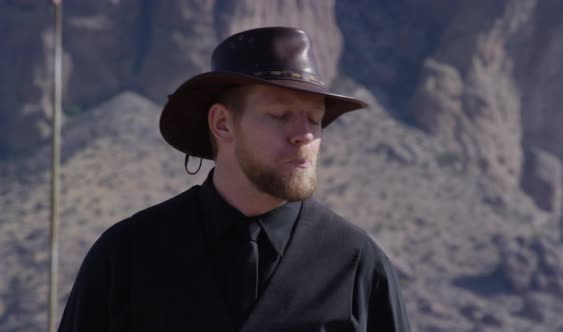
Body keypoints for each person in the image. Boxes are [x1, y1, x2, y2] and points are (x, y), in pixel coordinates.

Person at [58, 27, 411, 332]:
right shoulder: (128, 255)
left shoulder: (356, 262)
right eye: (279, 115)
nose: (304, 135)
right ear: (222, 124)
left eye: (315, 119)